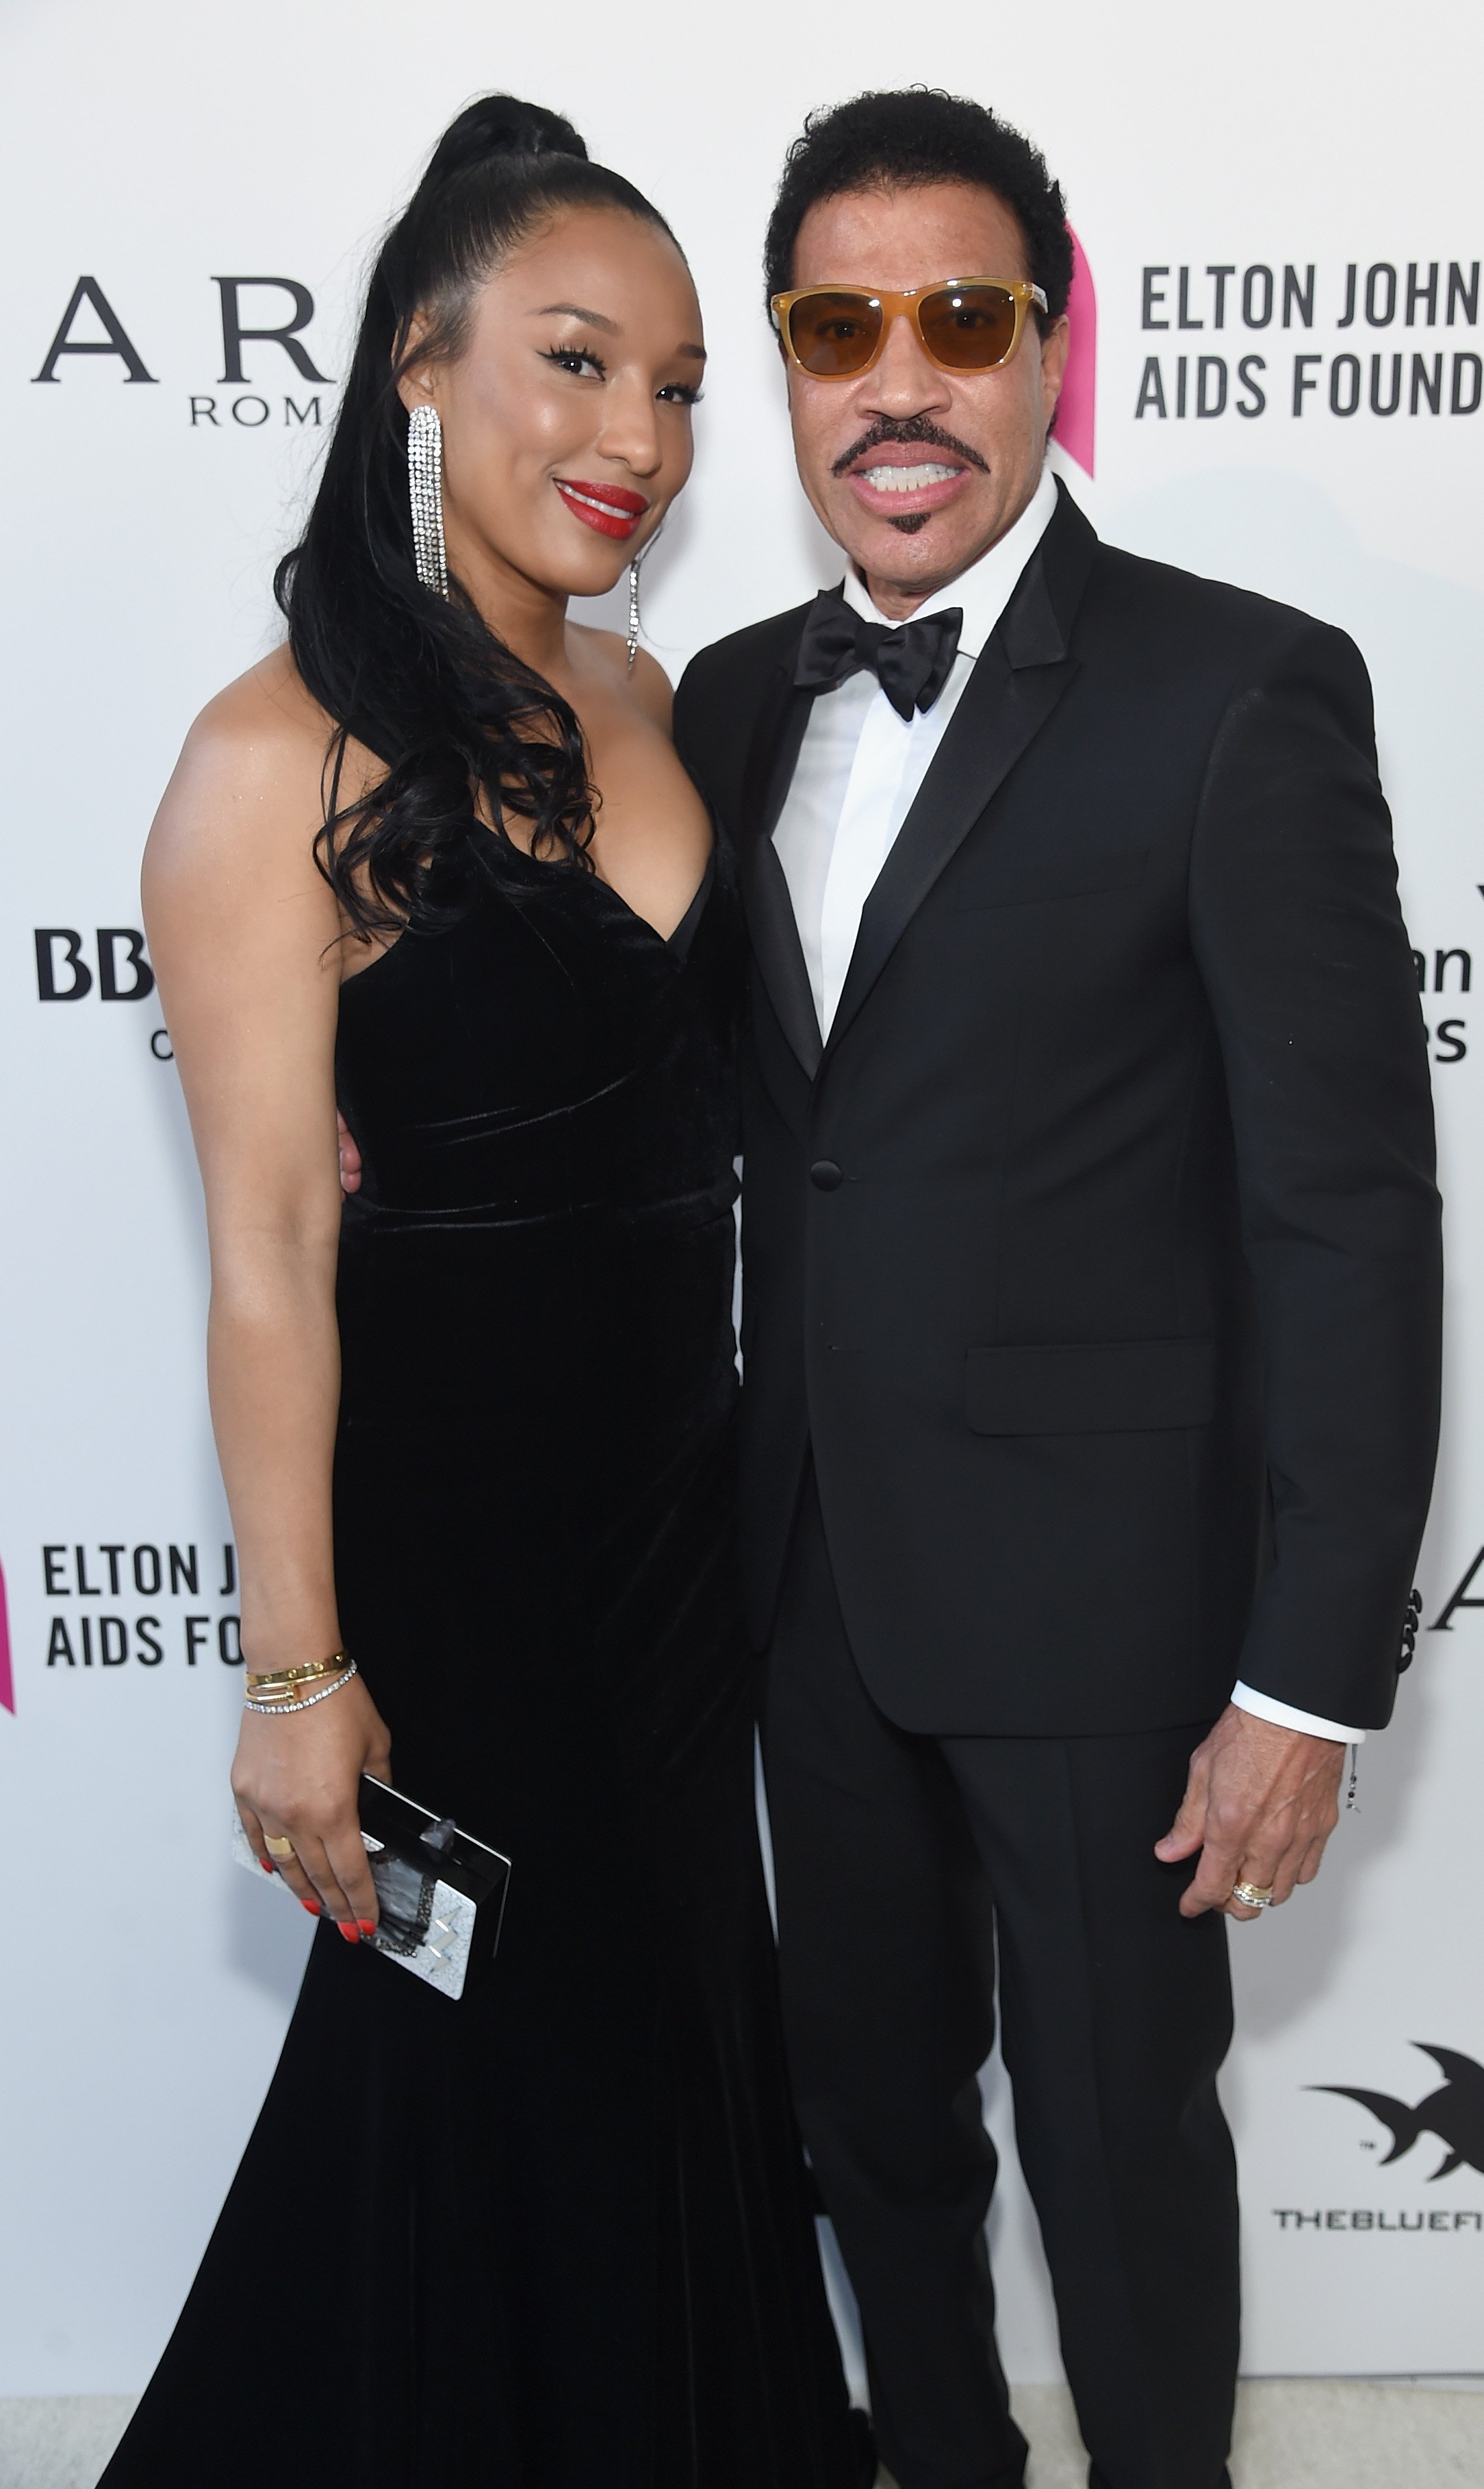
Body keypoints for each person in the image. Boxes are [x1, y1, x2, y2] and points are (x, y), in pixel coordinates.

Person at [673, 92, 1443, 2489]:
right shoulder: (717, 706)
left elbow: (1349, 1208)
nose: (898, 380)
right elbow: (735, 1115)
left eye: (960, 319)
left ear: (1050, 350)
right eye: (837, 325)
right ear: (791, 370)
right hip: (807, 1577)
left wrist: (1305, 1671)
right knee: (869, 2122)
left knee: (1121, 2152)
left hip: (1114, 1618)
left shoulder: (1241, 692)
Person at [102, 97, 862, 2489]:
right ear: (419, 367)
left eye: (673, 387)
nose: (633, 437)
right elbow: (266, 1251)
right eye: (572, 363)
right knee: (467, 2066)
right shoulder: (263, 768)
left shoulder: (649, 706)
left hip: (683, 1535)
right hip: (453, 1560)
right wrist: (300, 1668)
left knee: (667, 2039)